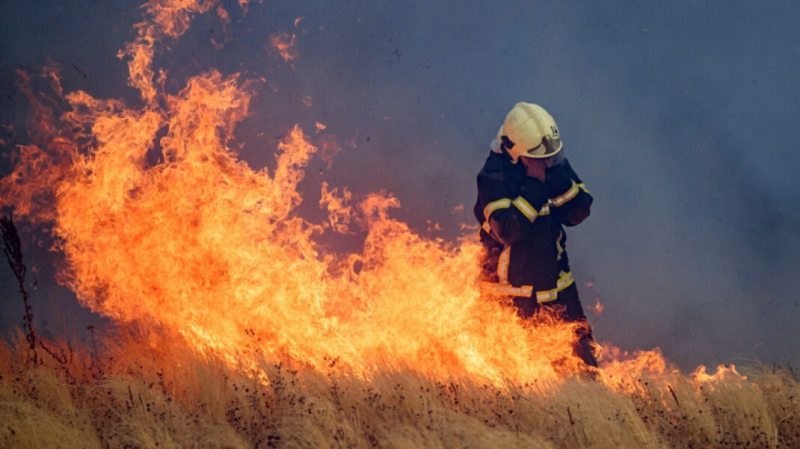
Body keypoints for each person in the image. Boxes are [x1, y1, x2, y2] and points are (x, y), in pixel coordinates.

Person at [474, 102, 597, 367]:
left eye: (551, 157)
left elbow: (579, 211)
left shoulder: (550, 163)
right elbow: (508, 231)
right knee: (514, 377)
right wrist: (534, 184)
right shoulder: (493, 177)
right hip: (509, 302)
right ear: (516, 151)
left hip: (559, 295)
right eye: (540, 158)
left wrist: (554, 175)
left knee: (584, 373)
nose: (547, 162)